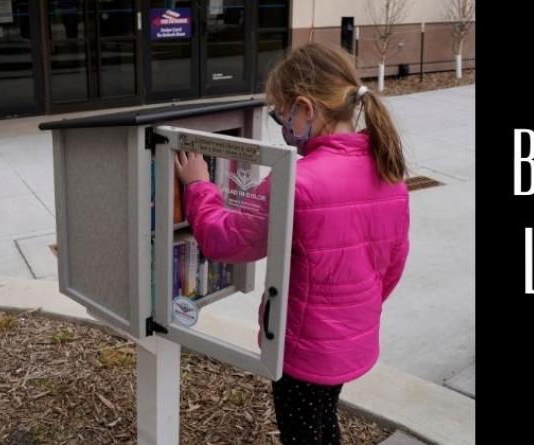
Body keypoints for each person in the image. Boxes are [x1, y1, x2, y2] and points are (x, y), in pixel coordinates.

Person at [173, 43, 410, 444]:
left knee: (302, 434)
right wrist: (353, 312)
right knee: (323, 422)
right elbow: (393, 264)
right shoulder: (388, 170)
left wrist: (198, 184)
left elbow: (223, 239)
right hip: (350, 343)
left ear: (305, 108)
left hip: (302, 354)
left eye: (280, 114)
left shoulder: (295, 183)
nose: (282, 124)